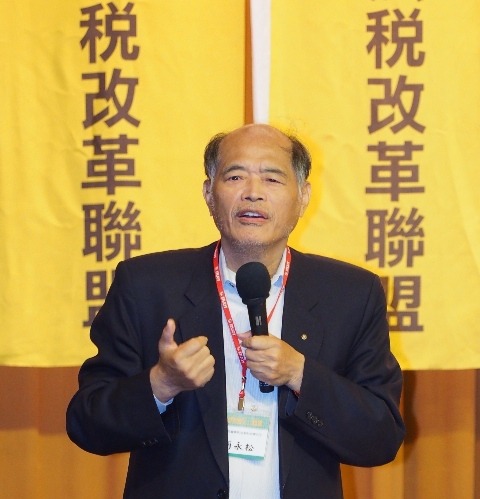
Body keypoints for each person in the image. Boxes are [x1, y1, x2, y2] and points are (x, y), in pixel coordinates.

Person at [66, 124, 405, 499]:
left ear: (303, 196)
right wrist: (161, 384)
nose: (253, 192)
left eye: (272, 178)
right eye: (235, 176)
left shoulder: (350, 294)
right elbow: (87, 424)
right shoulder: (146, 286)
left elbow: (380, 437)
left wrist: (300, 374)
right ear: (209, 193)